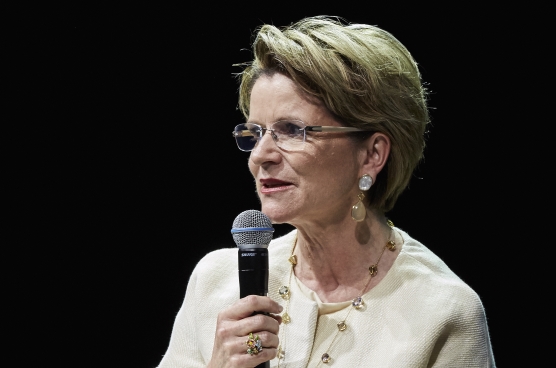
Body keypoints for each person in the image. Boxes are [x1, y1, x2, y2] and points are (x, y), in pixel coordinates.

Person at [158, 16, 495, 367]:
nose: (260, 155)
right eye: (255, 133)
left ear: (372, 154)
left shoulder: (443, 313)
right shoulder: (215, 282)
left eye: (290, 130)